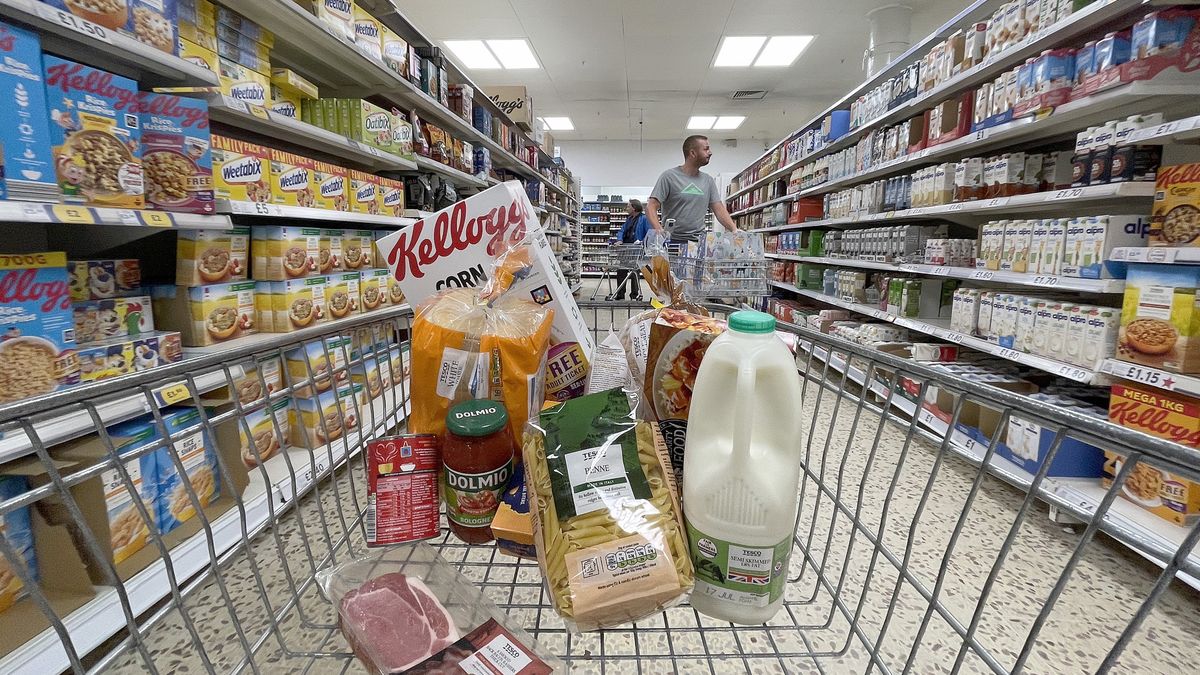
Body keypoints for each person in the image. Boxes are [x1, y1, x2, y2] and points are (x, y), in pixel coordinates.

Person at [647, 135, 739, 243]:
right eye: (706, 149)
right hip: (672, 242)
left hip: (698, 242)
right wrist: (659, 229)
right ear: (692, 153)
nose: (710, 152)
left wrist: (734, 229)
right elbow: (651, 206)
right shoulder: (669, 177)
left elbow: (718, 208)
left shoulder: (708, 180)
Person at [607, 199, 650, 301]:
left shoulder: (644, 219)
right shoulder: (629, 219)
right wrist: (619, 240)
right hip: (626, 249)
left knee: (634, 272)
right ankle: (620, 294)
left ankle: (634, 295)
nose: (626, 208)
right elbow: (622, 230)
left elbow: (649, 234)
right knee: (621, 270)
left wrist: (642, 242)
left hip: (636, 250)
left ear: (634, 208)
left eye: (628, 206)